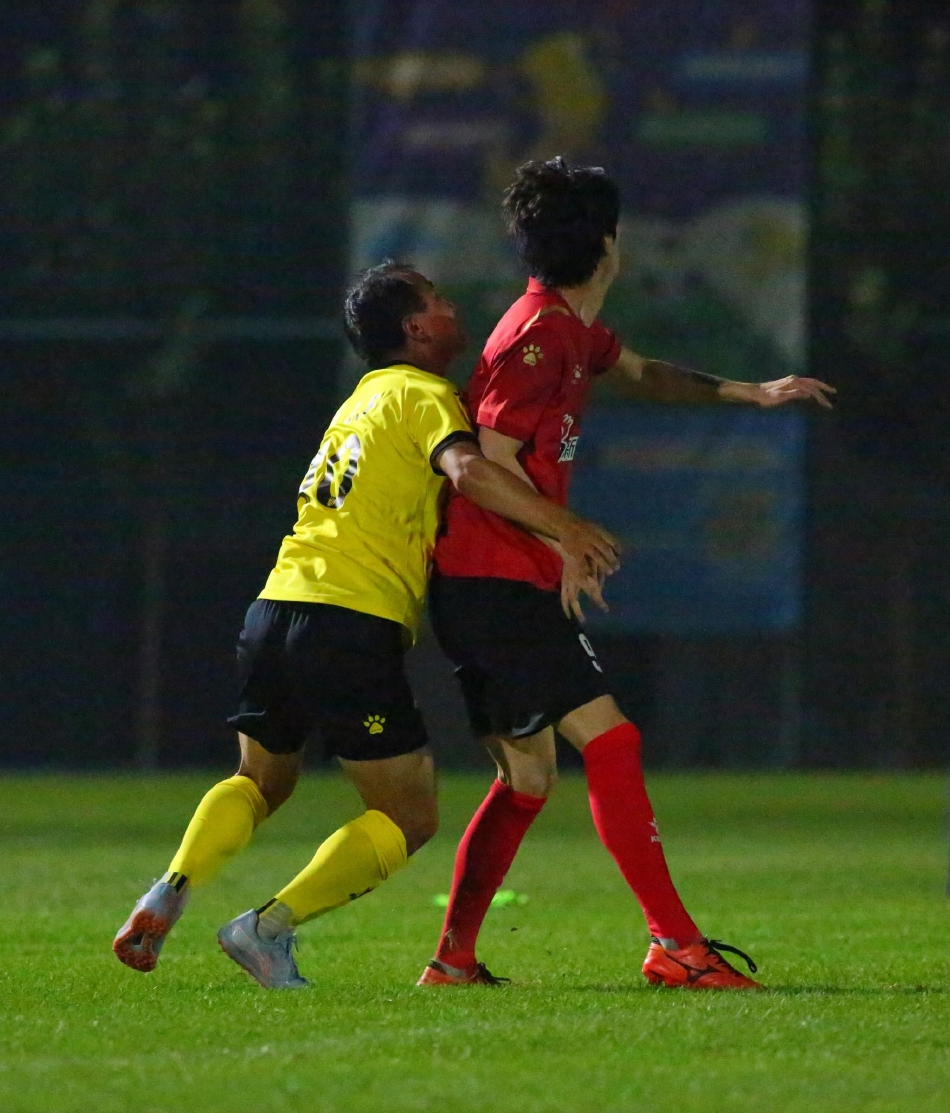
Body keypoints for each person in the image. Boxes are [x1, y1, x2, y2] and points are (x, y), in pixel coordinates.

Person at [113, 261, 619, 990]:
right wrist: (564, 527)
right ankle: (267, 929)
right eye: (438, 302)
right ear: (415, 328)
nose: (451, 309)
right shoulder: (423, 394)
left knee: (258, 780)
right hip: (350, 620)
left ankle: (170, 888)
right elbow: (469, 472)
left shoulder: (358, 401)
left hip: (275, 605)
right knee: (409, 816)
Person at [418, 158, 836, 991]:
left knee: (527, 778)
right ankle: (675, 944)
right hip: (491, 580)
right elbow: (485, 464)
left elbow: (643, 371)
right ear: (609, 243)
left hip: (491, 578)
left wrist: (753, 392)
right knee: (612, 741)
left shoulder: (569, 328)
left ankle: (453, 959)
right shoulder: (538, 338)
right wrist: (567, 533)